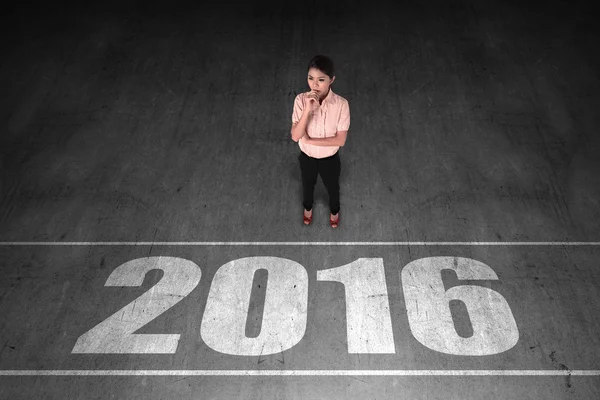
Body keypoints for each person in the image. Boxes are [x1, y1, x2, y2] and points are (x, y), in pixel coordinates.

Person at [290, 55, 350, 228]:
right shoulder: (300, 100)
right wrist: (308, 108)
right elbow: (295, 136)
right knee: (307, 186)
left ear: (331, 80)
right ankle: (307, 209)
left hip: (330, 159)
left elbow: (341, 139)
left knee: (333, 189)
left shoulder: (341, 104)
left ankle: (334, 211)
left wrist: (309, 140)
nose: (314, 85)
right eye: (310, 78)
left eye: (321, 80)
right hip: (307, 157)